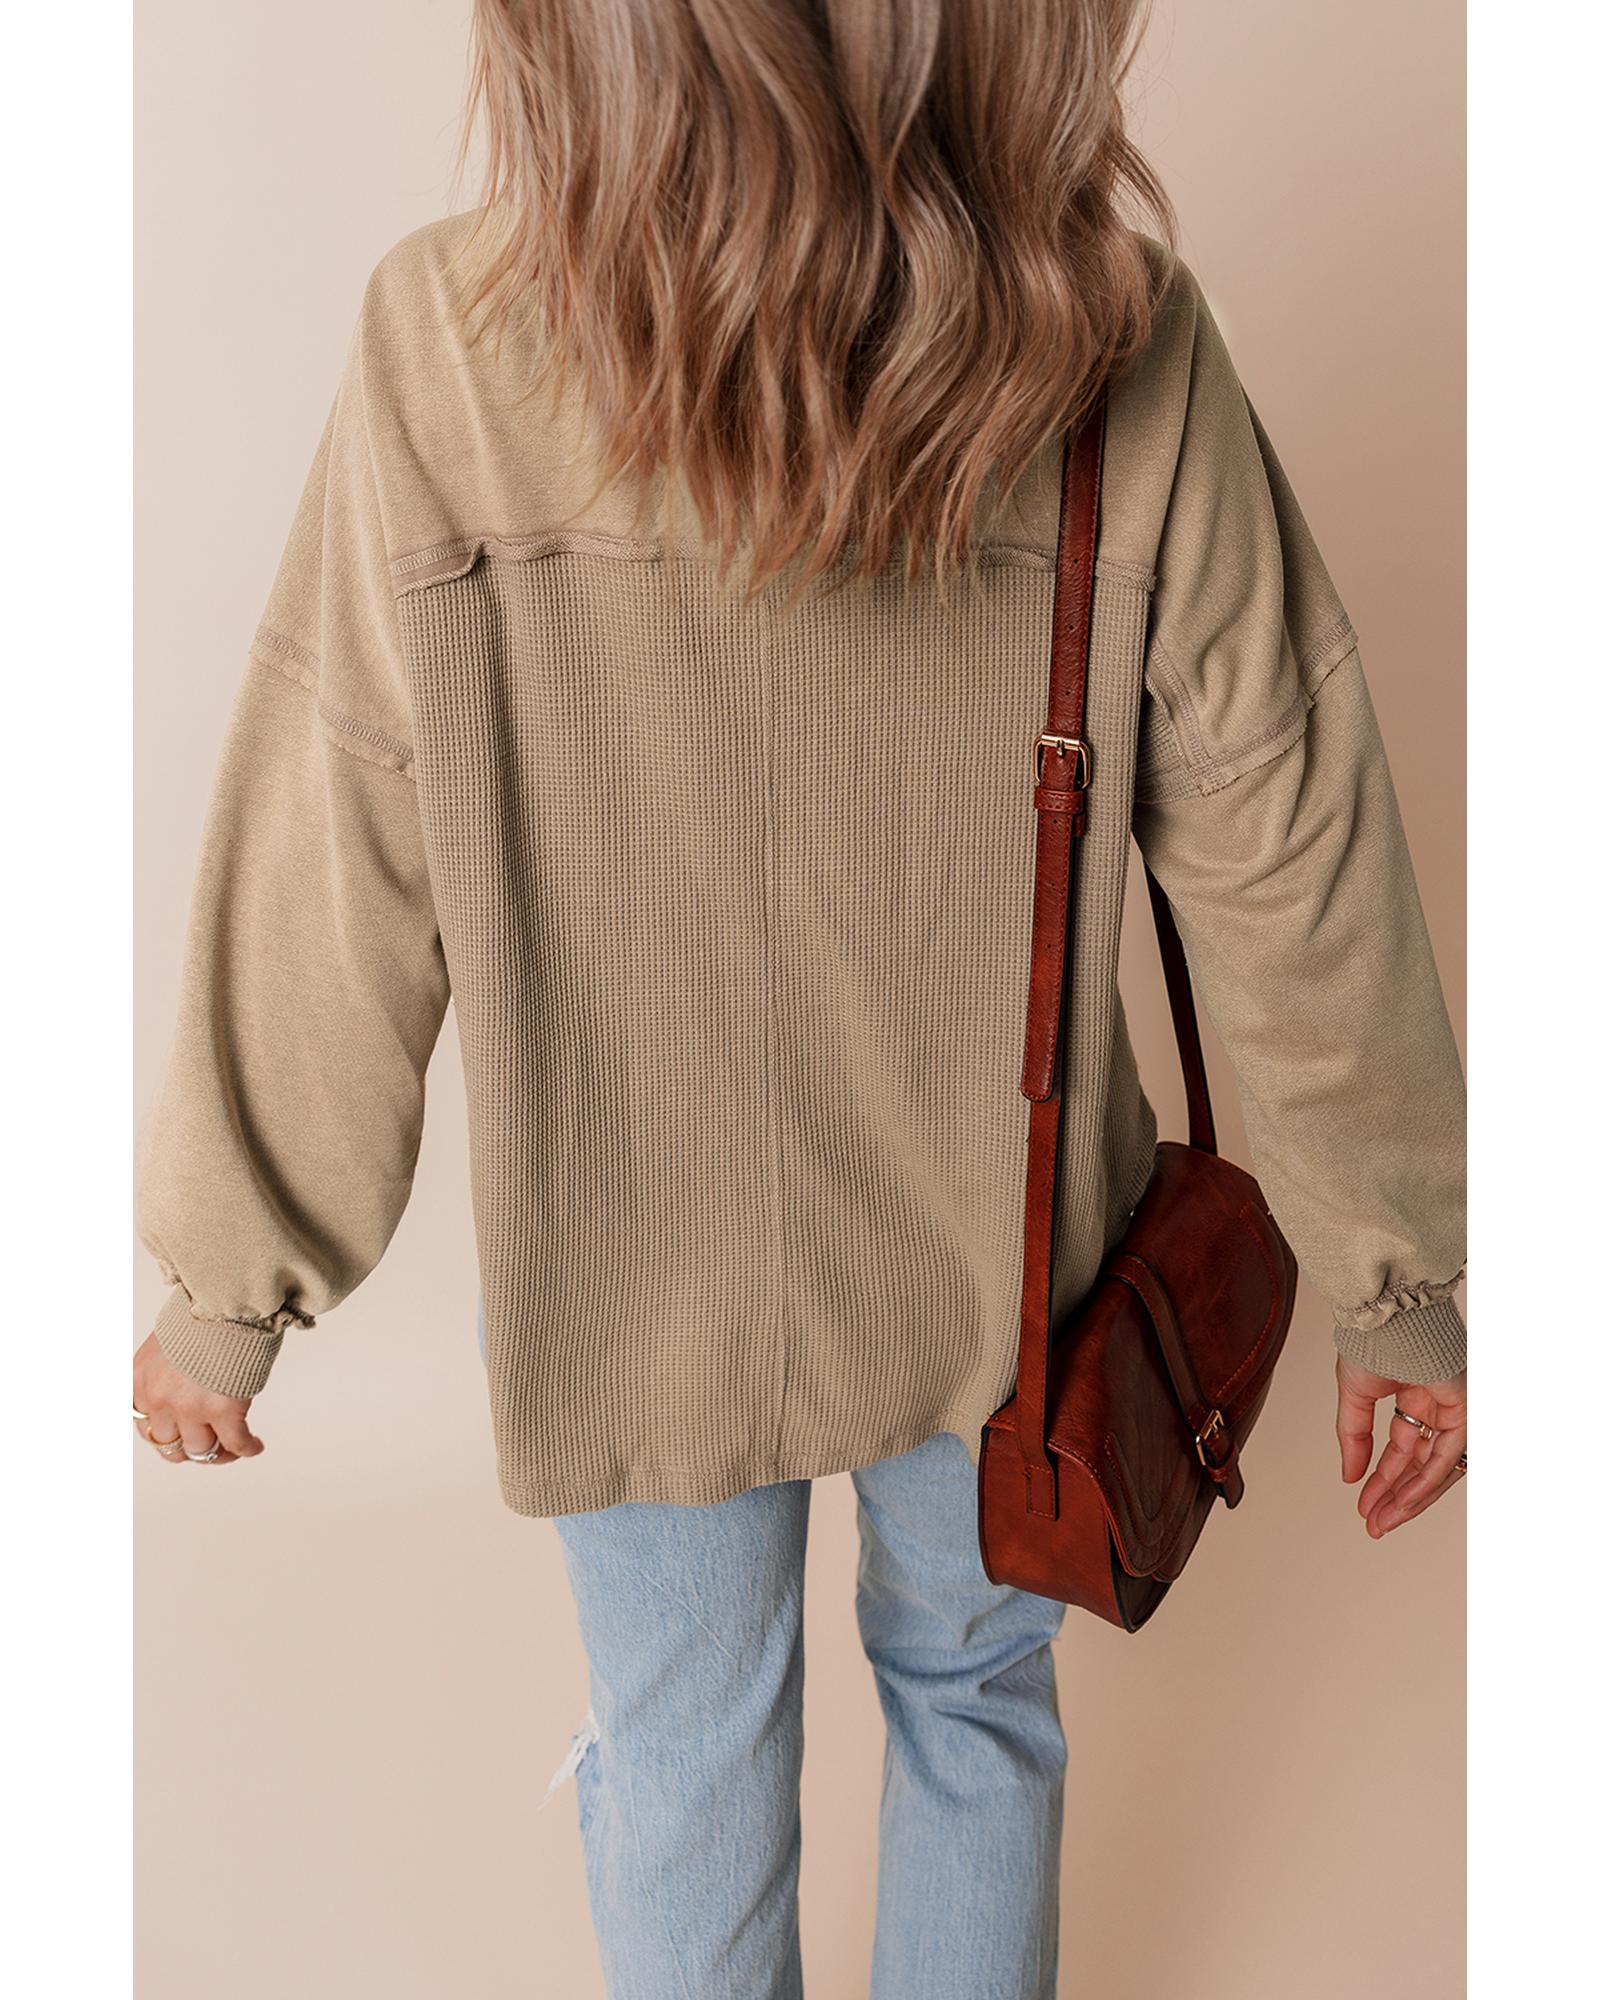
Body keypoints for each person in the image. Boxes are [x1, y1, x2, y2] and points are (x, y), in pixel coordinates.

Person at [131, 3, 1467, 1994]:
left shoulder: (451, 341)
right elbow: (1287, 837)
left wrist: (228, 1286)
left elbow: (345, 830)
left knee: (679, 1752)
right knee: (978, 1714)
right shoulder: (1115, 340)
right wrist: (1396, 1279)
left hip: (627, 1259)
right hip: (996, 1263)